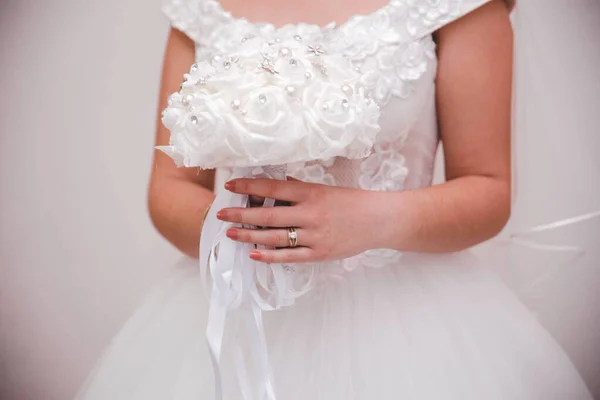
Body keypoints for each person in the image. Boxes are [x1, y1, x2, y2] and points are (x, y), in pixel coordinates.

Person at [76, 0, 594, 398]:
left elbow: (487, 187)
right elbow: (170, 188)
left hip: (405, 314)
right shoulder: (202, 10)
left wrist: (371, 220)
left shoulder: (458, 6)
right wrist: (245, 236)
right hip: (243, 302)